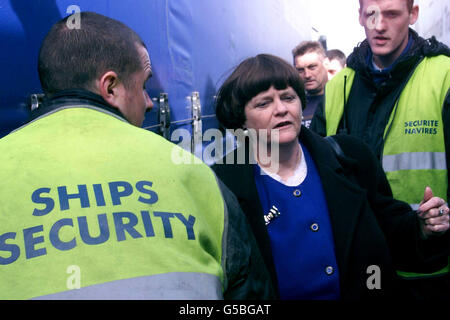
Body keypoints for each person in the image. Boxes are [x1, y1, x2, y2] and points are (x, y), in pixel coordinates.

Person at [0, 12, 275, 300]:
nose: (148, 103)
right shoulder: (189, 171)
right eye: (144, 85)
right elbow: (251, 295)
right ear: (111, 87)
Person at [212, 53, 450, 300]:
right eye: (263, 103)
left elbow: (388, 226)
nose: (281, 109)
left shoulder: (350, 157)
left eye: (288, 97)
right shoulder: (222, 185)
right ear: (241, 119)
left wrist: (422, 228)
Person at [310, 0, 450, 299]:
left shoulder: (444, 76)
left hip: (424, 264)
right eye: (371, 14)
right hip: (355, 261)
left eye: (391, 14)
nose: (379, 25)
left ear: (413, 15)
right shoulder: (339, 86)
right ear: (360, 16)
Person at [292, 41, 329, 128]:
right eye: (300, 70)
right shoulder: (293, 105)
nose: (307, 75)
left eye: (312, 67)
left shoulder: (342, 99)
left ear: (326, 64)